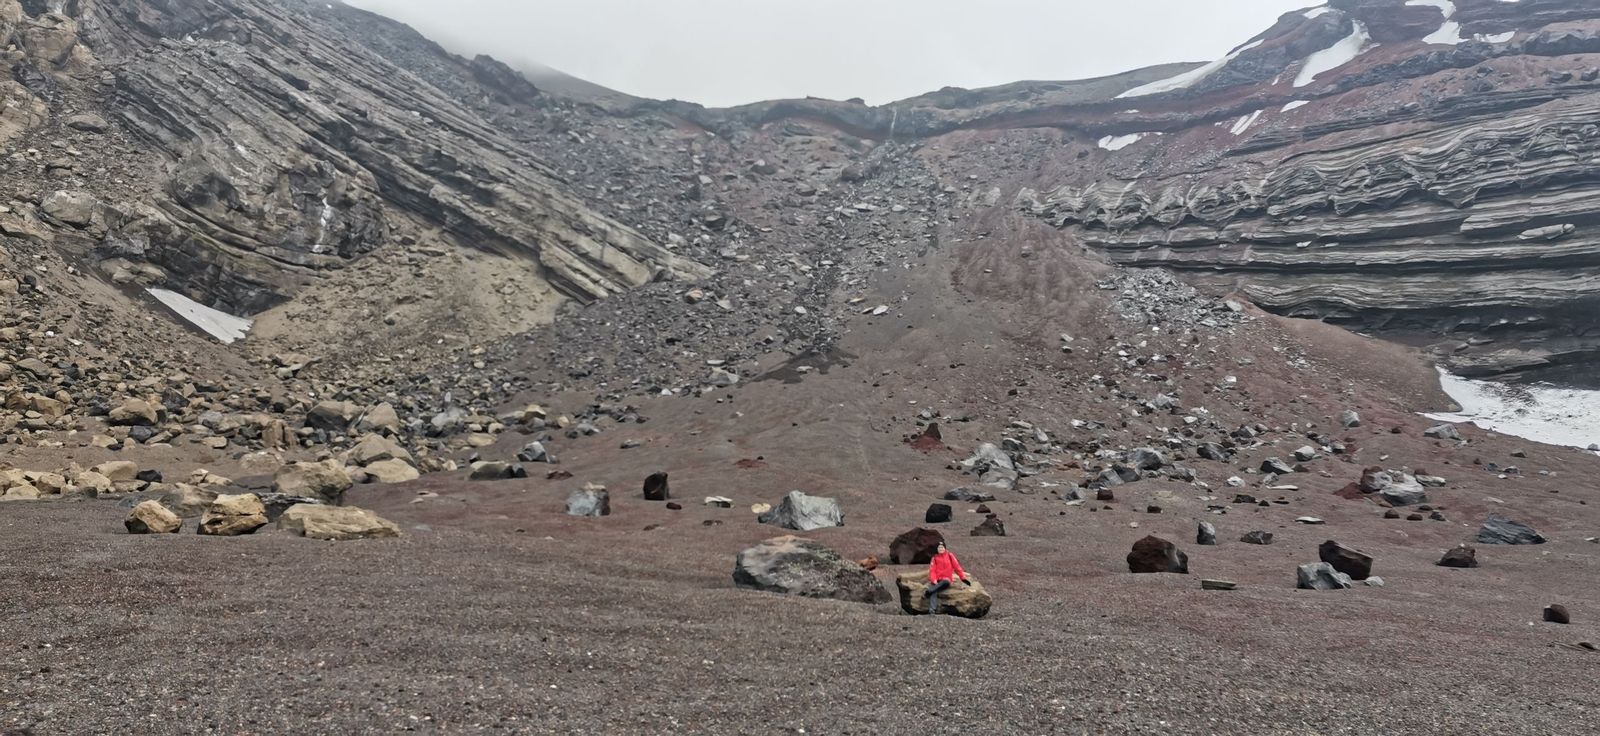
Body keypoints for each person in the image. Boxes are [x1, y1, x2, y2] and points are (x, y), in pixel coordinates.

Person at [923, 541, 970, 614]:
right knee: (934, 591)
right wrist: (934, 580)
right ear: (937, 549)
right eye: (939, 547)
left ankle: (928, 591)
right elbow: (932, 570)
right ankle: (932, 610)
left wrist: (962, 577)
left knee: (945, 581)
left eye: (942, 547)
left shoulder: (949, 555)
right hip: (937, 580)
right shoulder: (935, 558)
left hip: (946, 580)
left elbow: (957, 567)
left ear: (945, 548)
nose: (940, 549)